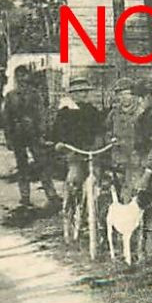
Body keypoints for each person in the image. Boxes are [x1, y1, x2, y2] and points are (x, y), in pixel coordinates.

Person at [108, 78, 152, 255]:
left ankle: (151, 249)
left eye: (143, 97)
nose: (140, 100)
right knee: (135, 203)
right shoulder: (146, 113)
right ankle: (136, 247)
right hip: (137, 166)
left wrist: (148, 172)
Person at [49, 76, 107, 225]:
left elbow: (100, 129)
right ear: (72, 95)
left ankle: (93, 208)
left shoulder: (92, 111)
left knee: (97, 177)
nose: (83, 95)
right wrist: (60, 143)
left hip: (91, 153)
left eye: (84, 92)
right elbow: (57, 133)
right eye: (79, 92)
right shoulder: (65, 113)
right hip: (73, 152)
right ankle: (69, 206)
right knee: (75, 177)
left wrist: (99, 143)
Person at [1, 64, 58, 210]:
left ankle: (51, 194)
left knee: (42, 164)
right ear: (16, 78)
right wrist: (8, 138)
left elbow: (41, 115)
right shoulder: (10, 96)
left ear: (28, 77)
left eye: (24, 76)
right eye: (19, 77)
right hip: (18, 136)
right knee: (22, 167)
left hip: (34, 134)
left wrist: (42, 134)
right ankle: (25, 197)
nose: (22, 80)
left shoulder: (35, 94)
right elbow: (6, 119)